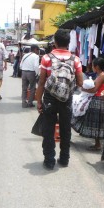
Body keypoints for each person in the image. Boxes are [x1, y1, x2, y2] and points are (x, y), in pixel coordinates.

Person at [36, 29, 83, 170]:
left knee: (48, 129)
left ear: (55, 42)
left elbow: (41, 82)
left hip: (50, 98)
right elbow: (80, 82)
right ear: (69, 43)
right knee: (65, 129)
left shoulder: (46, 58)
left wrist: (39, 101)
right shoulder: (76, 59)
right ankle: (64, 159)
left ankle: (49, 161)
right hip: (67, 98)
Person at [71, 57, 104, 151]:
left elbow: (95, 89)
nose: (91, 67)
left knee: (95, 122)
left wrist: (83, 89)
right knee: (96, 123)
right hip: (98, 100)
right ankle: (97, 144)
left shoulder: (102, 76)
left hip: (98, 101)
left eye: (92, 65)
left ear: (96, 67)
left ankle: (98, 144)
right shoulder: (100, 75)